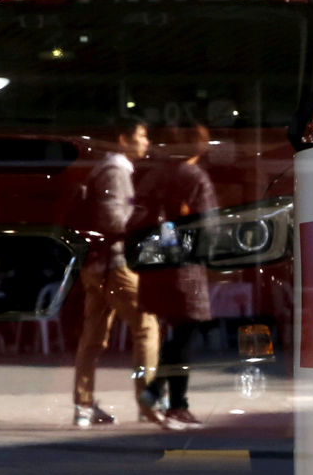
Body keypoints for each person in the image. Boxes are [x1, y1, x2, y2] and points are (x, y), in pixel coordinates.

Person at [72, 118, 161, 428]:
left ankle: (84, 406)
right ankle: (147, 402)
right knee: (146, 326)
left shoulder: (102, 170)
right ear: (123, 139)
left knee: (93, 337)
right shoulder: (117, 170)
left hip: (95, 266)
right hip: (116, 264)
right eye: (141, 135)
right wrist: (146, 218)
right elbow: (115, 220)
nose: (146, 141)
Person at [132, 123, 218, 430]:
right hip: (185, 269)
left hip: (155, 267)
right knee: (185, 332)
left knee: (176, 332)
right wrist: (209, 255)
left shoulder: (155, 174)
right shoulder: (194, 177)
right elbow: (208, 225)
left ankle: (163, 396)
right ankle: (172, 402)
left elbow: (136, 215)